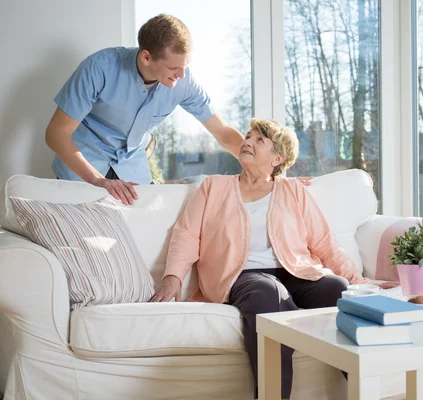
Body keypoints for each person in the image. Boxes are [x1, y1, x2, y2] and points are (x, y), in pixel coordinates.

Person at [151, 118, 398, 399]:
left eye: (259, 140)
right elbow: (186, 234)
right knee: (267, 293)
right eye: (247, 136)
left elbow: (323, 242)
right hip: (242, 275)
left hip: (297, 271)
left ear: (278, 158)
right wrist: (172, 278)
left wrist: (359, 281)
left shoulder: (292, 190)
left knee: (337, 289)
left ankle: (369, 391)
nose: (247, 142)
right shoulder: (214, 187)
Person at [45, 14, 244, 205]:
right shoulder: (99, 68)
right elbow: (56, 134)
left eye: (186, 66)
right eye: (174, 68)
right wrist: (98, 180)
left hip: (132, 171)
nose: (182, 75)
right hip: (85, 169)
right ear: (146, 57)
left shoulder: (184, 81)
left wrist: (263, 168)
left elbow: (223, 132)